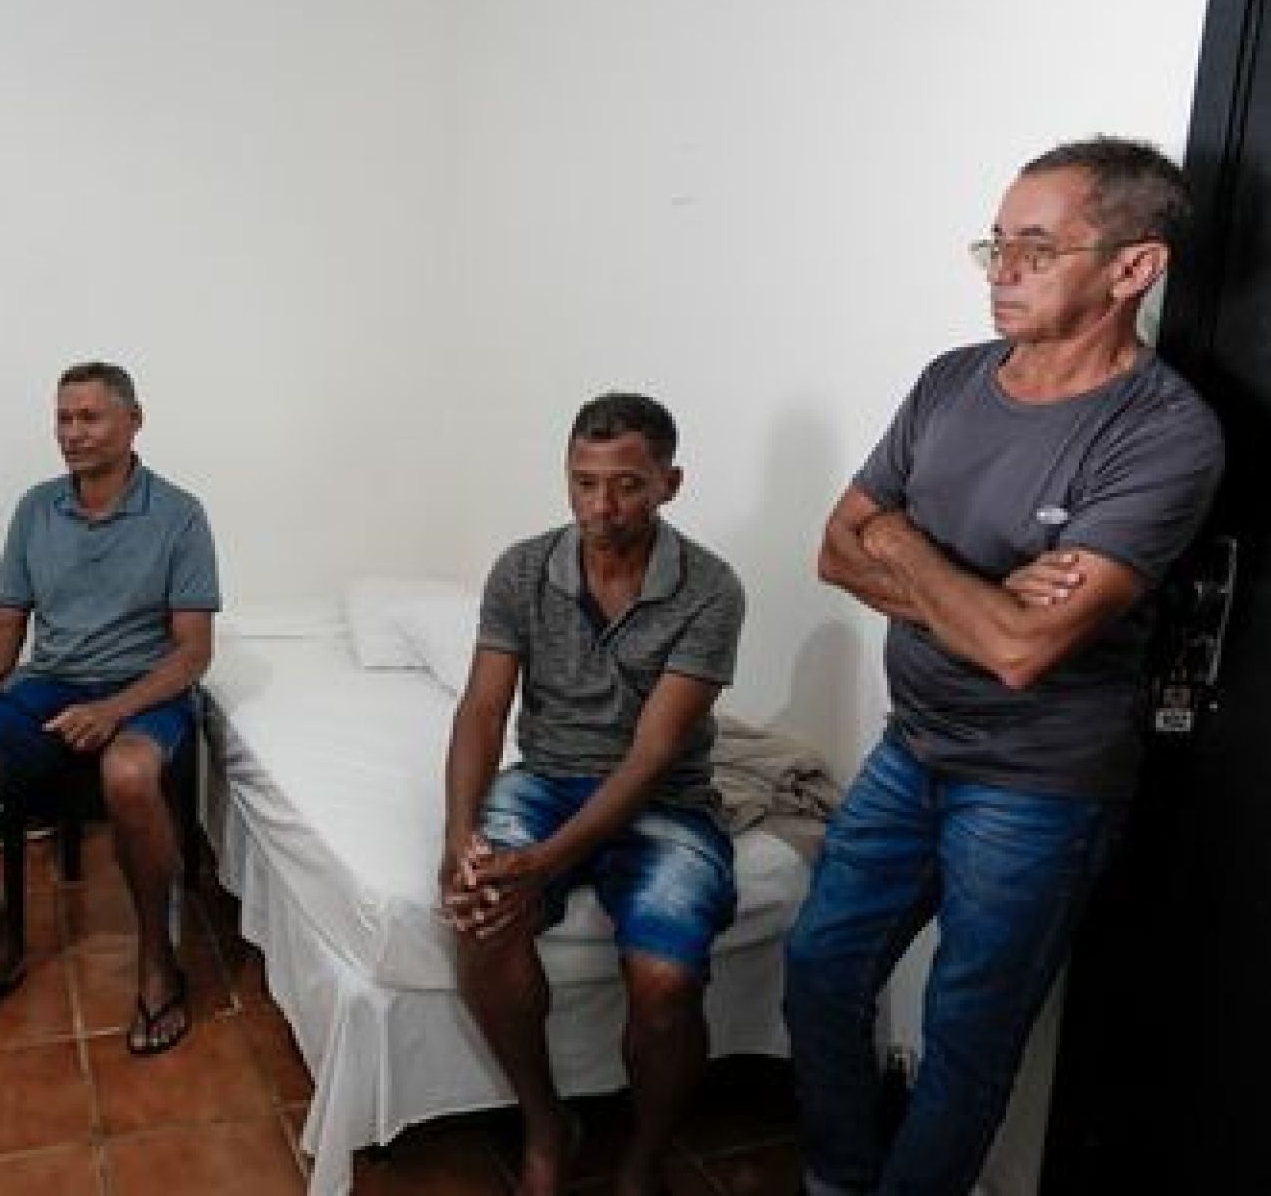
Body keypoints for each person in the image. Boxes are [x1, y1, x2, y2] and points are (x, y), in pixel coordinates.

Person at [785, 137, 1225, 1196]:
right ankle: (841, 1178)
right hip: (913, 747)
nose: (1003, 271)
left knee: (968, 1036)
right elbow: (834, 549)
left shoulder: (1165, 435)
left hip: (1038, 787)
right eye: (995, 245)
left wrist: (901, 539)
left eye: (1037, 248)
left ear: (1134, 268)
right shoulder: (951, 381)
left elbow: (1022, 650)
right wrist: (977, 601)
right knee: (818, 970)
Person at [442, 392, 746, 1196]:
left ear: (670, 484)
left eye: (627, 485)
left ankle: (643, 1159)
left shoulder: (712, 588)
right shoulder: (522, 568)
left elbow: (651, 757)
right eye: (584, 482)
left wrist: (540, 863)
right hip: (545, 779)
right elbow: (482, 709)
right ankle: (546, 1124)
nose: (600, 506)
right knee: (481, 919)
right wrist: (459, 832)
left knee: (666, 981)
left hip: (664, 799)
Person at [0, 361, 219, 1053]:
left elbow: (193, 652)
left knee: (130, 775)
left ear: (133, 422)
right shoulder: (36, 508)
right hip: (49, 683)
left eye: (89, 417)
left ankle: (157, 958)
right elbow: (4, 623)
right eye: (63, 418)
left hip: (144, 687)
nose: (72, 433)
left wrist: (115, 709)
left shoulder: (179, 514)